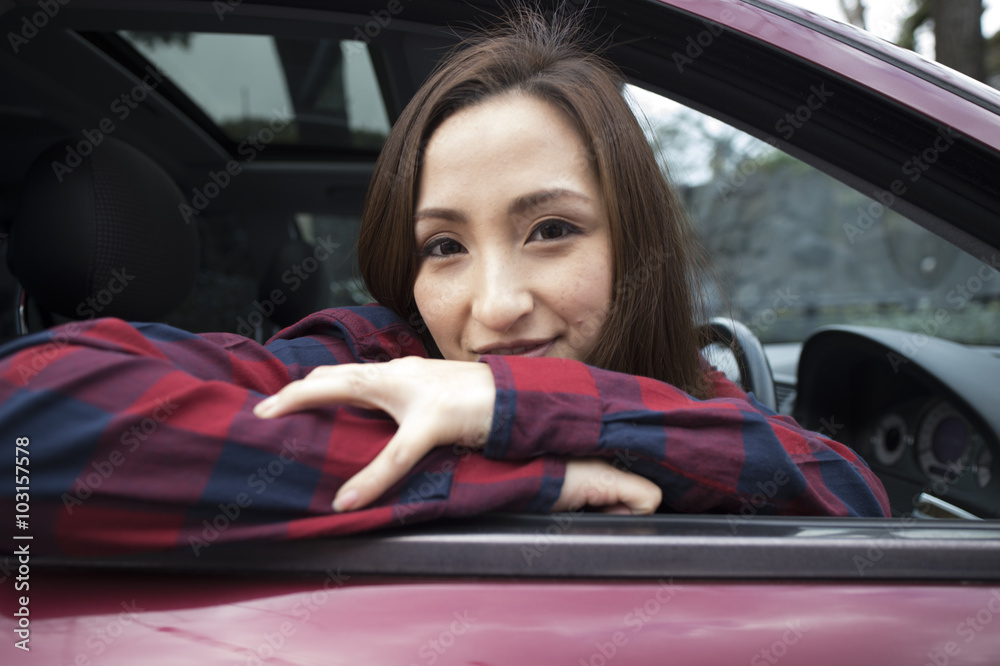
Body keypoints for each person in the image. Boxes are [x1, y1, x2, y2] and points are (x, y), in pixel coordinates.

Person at [0, 7, 889, 556]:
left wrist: (508, 406)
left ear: (636, 245)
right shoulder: (373, 353)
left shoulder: (691, 393)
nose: (495, 307)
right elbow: (30, 419)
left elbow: (849, 498)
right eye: (444, 248)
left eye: (551, 230)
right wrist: (518, 470)